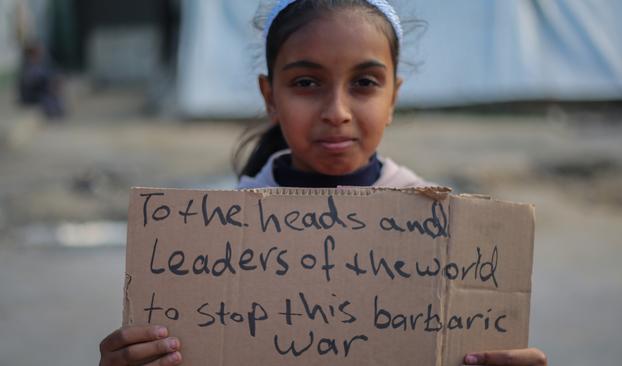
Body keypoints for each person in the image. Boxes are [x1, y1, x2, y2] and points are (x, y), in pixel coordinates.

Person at [99, 1, 547, 365]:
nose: (337, 111)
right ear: (270, 97)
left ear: (394, 97)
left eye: (365, 82)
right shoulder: (212, 237)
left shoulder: (445, 229)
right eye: (307, 82)